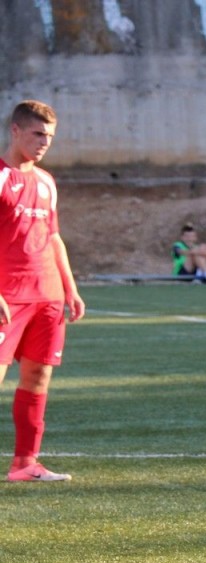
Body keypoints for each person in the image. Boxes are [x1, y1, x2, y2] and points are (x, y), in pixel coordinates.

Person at [1, 100, 85, 482]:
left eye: (49, 136)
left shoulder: (47, 181)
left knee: (38, 379)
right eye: (37, 134)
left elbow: (53, 237)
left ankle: (25, 464)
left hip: (46, 296)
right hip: (7, 296)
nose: (44, 142)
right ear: (15, 130)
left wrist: (70, 288)